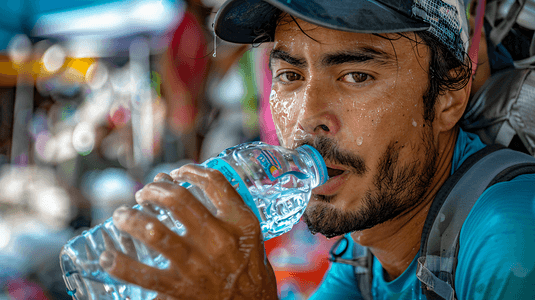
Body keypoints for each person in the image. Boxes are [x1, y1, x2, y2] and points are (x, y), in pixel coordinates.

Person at [98, 0, 535, 299]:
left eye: (356, 76)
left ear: (447, 97)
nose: (307, 118)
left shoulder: (508, 239)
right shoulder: (366, 252)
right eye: (289, 75)